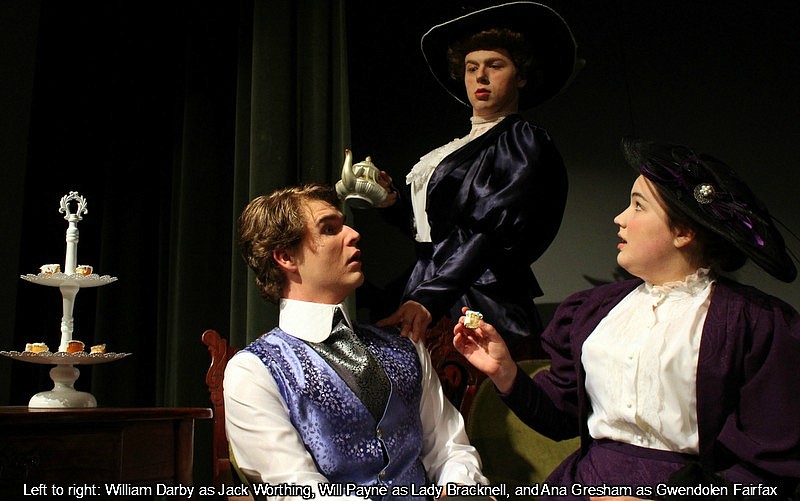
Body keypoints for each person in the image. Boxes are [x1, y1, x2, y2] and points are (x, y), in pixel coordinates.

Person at [452, 138, 800, 499]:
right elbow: (560, 417)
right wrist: (504, 370)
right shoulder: (593, 311)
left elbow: (766, 470)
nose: (620, 218)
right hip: (583, 486)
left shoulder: (754, 323)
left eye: (638, 206)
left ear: (683, 231)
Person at [225, 183, 488, 500]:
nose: (352, 234)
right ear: (285, 257)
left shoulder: (405, 345)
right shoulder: (253, 372)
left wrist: (460, 490)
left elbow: (450, 448)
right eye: (329, 229)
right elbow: (296, 489)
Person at [372, 2, 579, 353]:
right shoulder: (454, 148)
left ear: (521, 75)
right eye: (471, 68)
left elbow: (491, 230)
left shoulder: (521, 139)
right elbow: (433, 231)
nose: (480, 77)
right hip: (428, 286)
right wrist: (389, 200)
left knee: (481, 399)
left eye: (495, 66)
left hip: (478, 293)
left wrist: (430, 298)